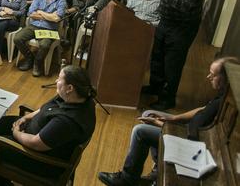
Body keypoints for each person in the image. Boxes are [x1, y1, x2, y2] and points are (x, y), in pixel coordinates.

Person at [98, 57, 238, 186]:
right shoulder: (224, 95)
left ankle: (127, 179)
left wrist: (163, 125)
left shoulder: (223, 103)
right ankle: (157, 171)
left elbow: (195, 133)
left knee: (140, 132)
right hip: (189, 128)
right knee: (148, 113)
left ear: (226, 79)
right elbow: (202, 109)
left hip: (190, 138)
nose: (209, 77)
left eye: (213, 75)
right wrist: (172, 118)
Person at [0, 66, 96, 183]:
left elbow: (35, 143)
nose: (56, 81)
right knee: (2, 123)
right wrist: (26, 118)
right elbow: (46, 108)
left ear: (69, 88)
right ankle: (0, 177)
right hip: (41, 135)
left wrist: (16, 133)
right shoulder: (78, 98)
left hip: (43, 161)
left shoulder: (66, 122)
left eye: (59, 79)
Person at [144, 0, 206, 110]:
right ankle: (155, 87)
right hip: (165, 22)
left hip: (182, 27)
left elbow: (184, 5)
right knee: (157, 57)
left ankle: (167, 99)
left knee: (172, 63)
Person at [13, 0, 66, 75]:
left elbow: (56, 19)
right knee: (17, 38)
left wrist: (40, 12)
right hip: (34, 26)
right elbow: (31, 13)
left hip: (49, 29)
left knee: (44, 45)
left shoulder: (61, 1)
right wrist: (49, 15)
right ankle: (29, 58)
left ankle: (37, 63)